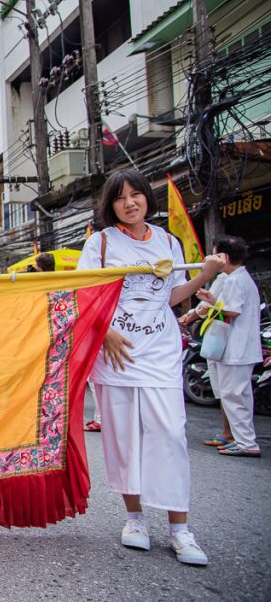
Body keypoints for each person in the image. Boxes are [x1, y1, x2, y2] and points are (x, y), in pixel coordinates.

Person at [76, 168, 224, 567]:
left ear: (147, 198)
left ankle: (180, 528)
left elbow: (172, 294)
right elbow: (82, 293)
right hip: (115, 355)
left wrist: (205, 276)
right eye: (120, 197)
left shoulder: (168, 241)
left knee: (170, 434)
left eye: (136, 195)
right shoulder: (101, 244)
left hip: (160, 351)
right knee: (123, 438)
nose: (130, 202)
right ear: (110, 205)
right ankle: (135, 518)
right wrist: (104, 331)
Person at [181, 235, 262, 458]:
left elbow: (232, 311)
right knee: (231, 395)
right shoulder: (232, 278)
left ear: (224, 257)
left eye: (215, 254)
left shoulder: (236, 280)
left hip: (238, 347)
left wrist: (210, 305)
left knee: (235, 396)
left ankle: (246, 442)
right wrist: (211, 300)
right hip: (231, 347)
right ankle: (238, 438)